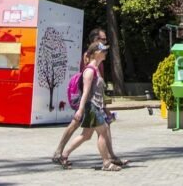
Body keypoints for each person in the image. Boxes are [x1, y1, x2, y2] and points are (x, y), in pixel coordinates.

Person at [53, 29, 128, 168]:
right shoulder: (89, 60)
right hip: (89, 103)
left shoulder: (99, 62)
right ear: (95, 40)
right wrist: (82, 108)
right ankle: (107, 160)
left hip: (94, 102)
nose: (105, 42)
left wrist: (103, 106)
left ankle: (63, 154)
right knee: (96, 129)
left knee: (88, 134)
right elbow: (87, 86)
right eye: (103, 40)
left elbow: (99, 87)